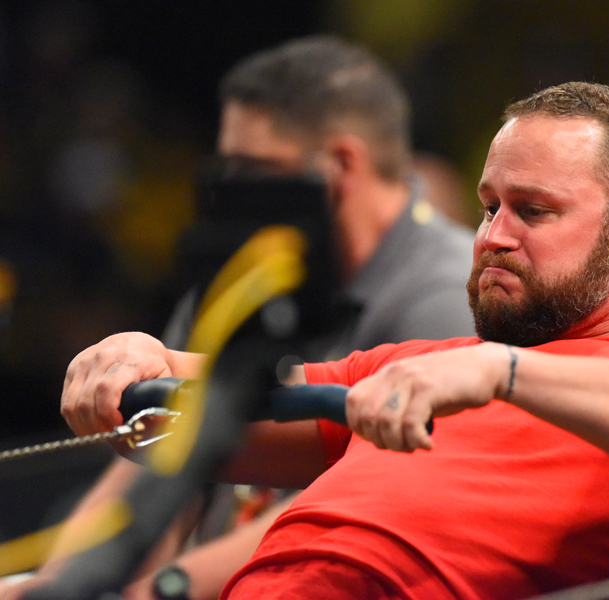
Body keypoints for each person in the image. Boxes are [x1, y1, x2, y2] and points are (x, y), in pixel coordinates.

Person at [57, 81, 609, 600]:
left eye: (534, 211)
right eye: (488, 207)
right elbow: (197, 415)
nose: (493, 237)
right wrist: (132, 356)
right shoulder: (420, 368)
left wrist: (500, 373)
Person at [2, 36, 475, 600]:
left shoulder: (452, 299)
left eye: (253, 169)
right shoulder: (251, 269)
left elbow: (353, 504)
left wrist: (155, 593)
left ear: (339, 166)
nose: (233, 193)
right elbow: (162, 461)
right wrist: (56, 588)